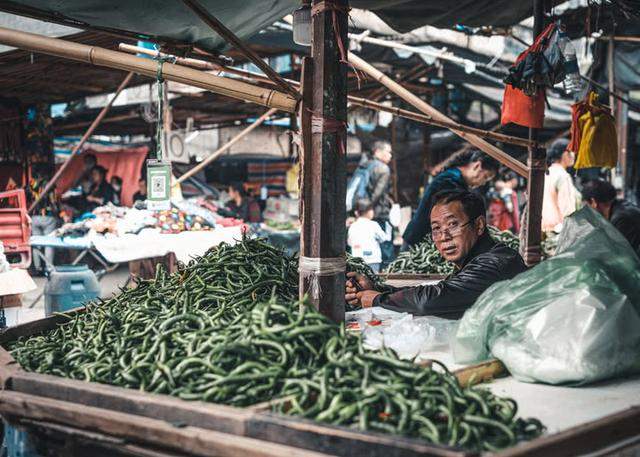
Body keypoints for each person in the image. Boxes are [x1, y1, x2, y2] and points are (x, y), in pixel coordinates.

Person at [346, 190, 527, 319]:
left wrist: (378, 299)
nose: (443, 237)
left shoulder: (493, 262)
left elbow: (432, 299)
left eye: (453, 225)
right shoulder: (474, 262)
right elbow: (443, 290)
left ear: (479, 225)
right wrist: (380, 290)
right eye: (436, 229)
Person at [403, 149, 499, 248]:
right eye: (486, 177)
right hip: (419, 241)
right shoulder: (450, 180)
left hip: (426, 240)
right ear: (477, 166)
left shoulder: (456, 179)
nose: (483, 183)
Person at [581, 179, 640, 256]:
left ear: (593, 202)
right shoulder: (619, 207)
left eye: (586, 206)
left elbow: (620, 255)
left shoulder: (621, 218)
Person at [541, 139, 581, 233]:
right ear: (565, 154)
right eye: (572, 152)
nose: (574, 155)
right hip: (559, 231)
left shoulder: (547, 173)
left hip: (544, 228)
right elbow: (567, 210)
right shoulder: (563, 176)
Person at [28, 165, 60, 274]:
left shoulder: (31, 184)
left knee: (36, 242)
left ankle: (37, 268)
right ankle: (48, 268)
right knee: (49, 242)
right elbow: (54, 201)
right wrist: (58, 212)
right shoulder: (49, 184)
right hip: (47, 216)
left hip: (34, 216)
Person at [367, 141, 394, 266]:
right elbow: (377, 194)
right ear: (378, 152)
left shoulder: (366, 165)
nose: (390, 156)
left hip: (366, 215)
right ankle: (387, 274)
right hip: (380, 214)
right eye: (388, 152)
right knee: (386, 245)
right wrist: (369, 207)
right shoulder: (383, 168)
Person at [347, 199, 391, 273]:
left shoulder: (352, 226)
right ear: (370, 212)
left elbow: (349, 242)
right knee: (373, 279)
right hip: (373, 259)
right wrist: (389, 229)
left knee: (359, 280)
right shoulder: (374, 225)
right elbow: (384, 238)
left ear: (356, 213)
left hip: (357, 259)